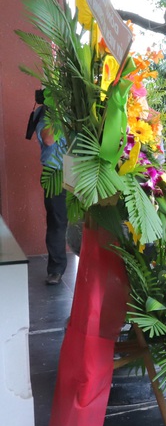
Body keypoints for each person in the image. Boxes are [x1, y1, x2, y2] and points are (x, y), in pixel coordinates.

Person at [33, 89, 68, 285]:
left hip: (77, 171)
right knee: (57, 222)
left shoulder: (73, 116)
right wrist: (58, 117)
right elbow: (49, 139)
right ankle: (56, 270)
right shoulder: (44, 118)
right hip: (55, 174)